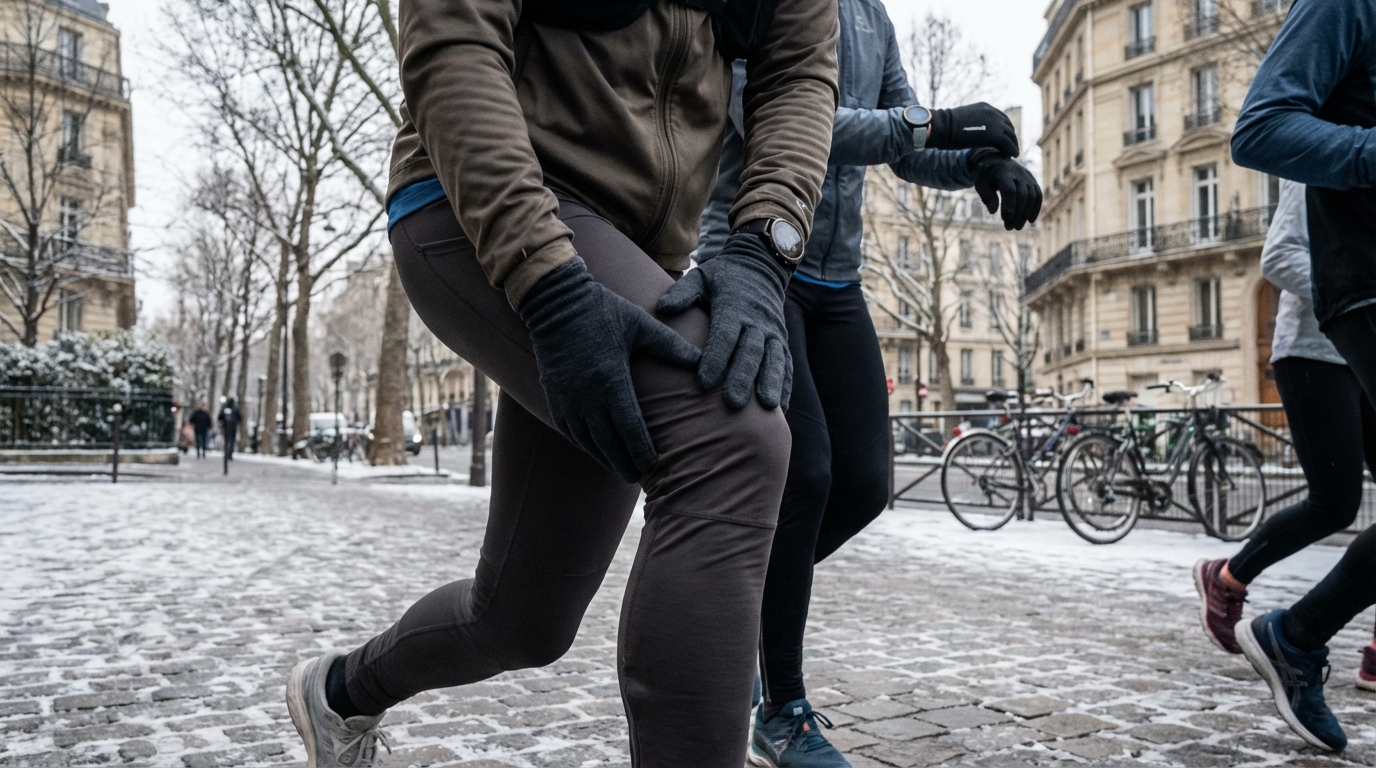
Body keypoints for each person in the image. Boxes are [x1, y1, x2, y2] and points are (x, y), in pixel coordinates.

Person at [286, 2, 844, 766]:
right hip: (482, 200)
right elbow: (455, 32)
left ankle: (339, 694)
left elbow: (799, 70)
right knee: (730, 435)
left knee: (523, 620)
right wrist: (548, 283)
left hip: (637, 251)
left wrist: (762, 248)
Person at [699, 2, 1040, 765]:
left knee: (862, 485)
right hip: (757, 258)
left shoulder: (870, 16)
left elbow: (905, 149)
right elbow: (782, 118)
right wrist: (938, 123)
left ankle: (735, 613)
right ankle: (781, 709)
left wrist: (979, 165)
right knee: (806, 474)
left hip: (836, 280)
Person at [1228, 0, 1376, 752]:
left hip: (1346, 333)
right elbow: (1281, 251)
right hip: (1326, 332)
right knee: (1334, 498)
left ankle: (1300, 633)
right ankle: (1239, 585)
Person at [1192, 178, 1376, 729]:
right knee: (1334, 504)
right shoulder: (1331, 158)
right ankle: (1229, 578)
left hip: (1368, 356)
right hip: (1316, 352)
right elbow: (1279, 256)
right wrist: (1353, 298)